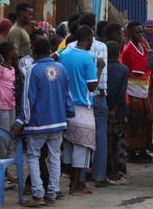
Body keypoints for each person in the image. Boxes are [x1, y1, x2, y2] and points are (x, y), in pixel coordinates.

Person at [12, 38, 74, 206]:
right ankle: (52, 193)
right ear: (49, 50)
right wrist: (68, 114)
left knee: (33, 156)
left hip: (38, 123)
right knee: (54, 158)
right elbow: (68, 95)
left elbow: (28, 99)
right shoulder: (61, 69)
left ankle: (38, 194)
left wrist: (20, 121)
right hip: (58, 121)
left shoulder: (33, 70)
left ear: (34, 52)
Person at [66, 13, 109, 188]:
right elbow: (99, 80)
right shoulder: (100, 47)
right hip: (94, 97)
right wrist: (99, 70)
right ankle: (98, 177)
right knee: (97, 139)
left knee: (74, 140)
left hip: (70, 100)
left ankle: (78, 178)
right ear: (93, 30)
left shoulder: (68, 48)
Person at [60, 25, 98, 194]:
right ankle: (76, 184)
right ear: (88, 39)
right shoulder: (87, 58)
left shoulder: (64, 53)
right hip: (82, 106)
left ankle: (72, 183)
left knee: (68, 144)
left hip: (65, 105)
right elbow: (91, 86)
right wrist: (100, 67)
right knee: (83, 146)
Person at [122, 22, 153, 162]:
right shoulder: (127, 50)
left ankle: (142, 149)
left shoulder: (142, 47)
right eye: (137, 33)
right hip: (133, 92)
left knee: (145, 121)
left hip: (144, 91)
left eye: (141, 32)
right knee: (134, 122)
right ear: (130, 34)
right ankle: (131, 150)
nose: (140, 35)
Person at [0, 42, 19, 160]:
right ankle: (0, 164)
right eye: (15, 49)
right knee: (2, 135)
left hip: (11, 105)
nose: (17, 52)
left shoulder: (12, 68)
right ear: (8, 53)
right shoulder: (0, 69)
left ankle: (6, 163)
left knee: (10, 134)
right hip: (1, 106)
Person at [105, 41, 129, 185]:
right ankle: (115, 172)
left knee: (107, 142)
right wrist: (114, 110)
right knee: (117, 142)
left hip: (104, 109)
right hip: (117, 111)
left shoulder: (100, 67)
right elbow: (121, 93)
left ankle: (108, 170)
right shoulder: (123, 69)